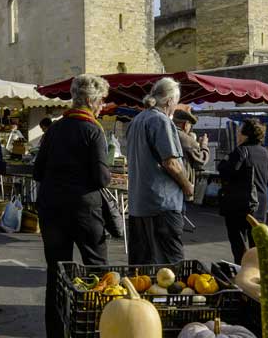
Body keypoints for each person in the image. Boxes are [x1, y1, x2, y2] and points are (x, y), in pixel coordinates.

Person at [34, 74, 111, 338]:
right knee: (98, 270)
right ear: (91, 101)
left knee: (57, 273)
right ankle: (95, 328)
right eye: (101, 101)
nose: (102, 106)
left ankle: (55, 332)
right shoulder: (93, 130)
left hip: (52, 208)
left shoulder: (55, 128)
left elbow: (37, 171)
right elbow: (102, 178)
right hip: (84, 210)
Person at [124, 77, 194, 265]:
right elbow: (171, 162)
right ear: (170, 100)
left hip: (139, 203)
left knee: (142, 264)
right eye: (176, 102)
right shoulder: (160, 120)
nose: (176, 107)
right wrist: (187, 186)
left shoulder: (137, 120)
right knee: (169, 265)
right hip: (162, 204)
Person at [217, 118, 268, 262]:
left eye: (239, 132)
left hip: (239, 205)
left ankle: (243, 270)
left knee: (238, 242)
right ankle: (257, 272)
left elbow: (225, 170)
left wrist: (224, 163)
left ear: (246, 134)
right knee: (257, 244)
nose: (238, 135)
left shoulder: (241, 151)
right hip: (260, 206)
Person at [173, 109, 210, 195]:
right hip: (182, 187)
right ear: (185, 125)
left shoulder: (168, 133)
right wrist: (204, 145)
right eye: (190, 126)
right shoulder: (185, 138)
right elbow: (201, 161)